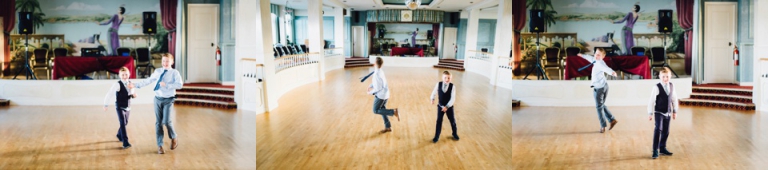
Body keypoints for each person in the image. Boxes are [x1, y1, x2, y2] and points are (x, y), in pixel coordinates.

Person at [133, 53, 184, 154]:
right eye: (163, 61)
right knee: (158, 123)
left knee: (167, 121)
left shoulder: (175, 73)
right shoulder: (157, 71)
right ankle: (159, 145)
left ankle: (174, 137)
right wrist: (136, 85)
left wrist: (167, 85)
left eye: (167, 61)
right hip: (157, 99)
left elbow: (179, 85)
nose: (165, 63)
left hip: (169, 99)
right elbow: (148, 80)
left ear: (172, 62)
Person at [577, 48, 618, 133]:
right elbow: (590, 58)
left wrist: (613, 73)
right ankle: (612, 119)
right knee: (601, 105)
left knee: (599, 107)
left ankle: (603, 126)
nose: (596, 56)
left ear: (603, 56)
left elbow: (606, 69)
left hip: (600, 88)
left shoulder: (600, 63)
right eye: (596, 53)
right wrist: (582, 55)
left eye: (599, 55)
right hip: (604, 86)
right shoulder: (595, 60)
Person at [648, 68, 679, 159]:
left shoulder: (672, 85)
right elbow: (651, 101)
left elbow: (674, 99)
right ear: (659, 77)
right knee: (658, 129)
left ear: (670, 77)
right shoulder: (656, 87)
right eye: (663, 77)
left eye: (667, 77)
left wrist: (675, 111)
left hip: (668, 112)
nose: (665, 78)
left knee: (666, 131)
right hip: (659, 112)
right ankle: (655, 150)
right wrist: (650, 113)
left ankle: (662, 148)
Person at [103, 67, 136, 149]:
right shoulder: (117, 84)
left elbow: (132, 94)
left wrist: (134, 95)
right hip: (120, 106)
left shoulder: (131, 83)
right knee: (122, 123)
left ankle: (119, 134)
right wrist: (105, 104)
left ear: (129, 74)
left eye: (126, 74)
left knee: (125, 122)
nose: (125, 76)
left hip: (128, 106)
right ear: (120, 75)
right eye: (123, 75)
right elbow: (109, 94)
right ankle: (125, 142)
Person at [368, 57, 400, 133]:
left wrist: (370, 92)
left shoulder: (377, 74)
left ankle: (394, 112)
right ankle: (388, 127)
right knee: (382, 110)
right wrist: (371, 85)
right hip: (385, 94)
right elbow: (379, 83)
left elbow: (378, 88)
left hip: (381, 96)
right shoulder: (380, 71)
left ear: (375, 64)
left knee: (375, 110)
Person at [430, 71, 459, 143]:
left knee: (452, 121)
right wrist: (432, 98)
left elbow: (453, 98)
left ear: (451, 78)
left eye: (448, 78)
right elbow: (434, 92)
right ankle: (437, 136)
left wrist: (447, 106)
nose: (447, 79)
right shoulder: (438, 84)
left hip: (449, 107)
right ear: (442, 78)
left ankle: (454, 133)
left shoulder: (453, 87)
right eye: (445, 78)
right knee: (439, 121)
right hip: (440, 106)